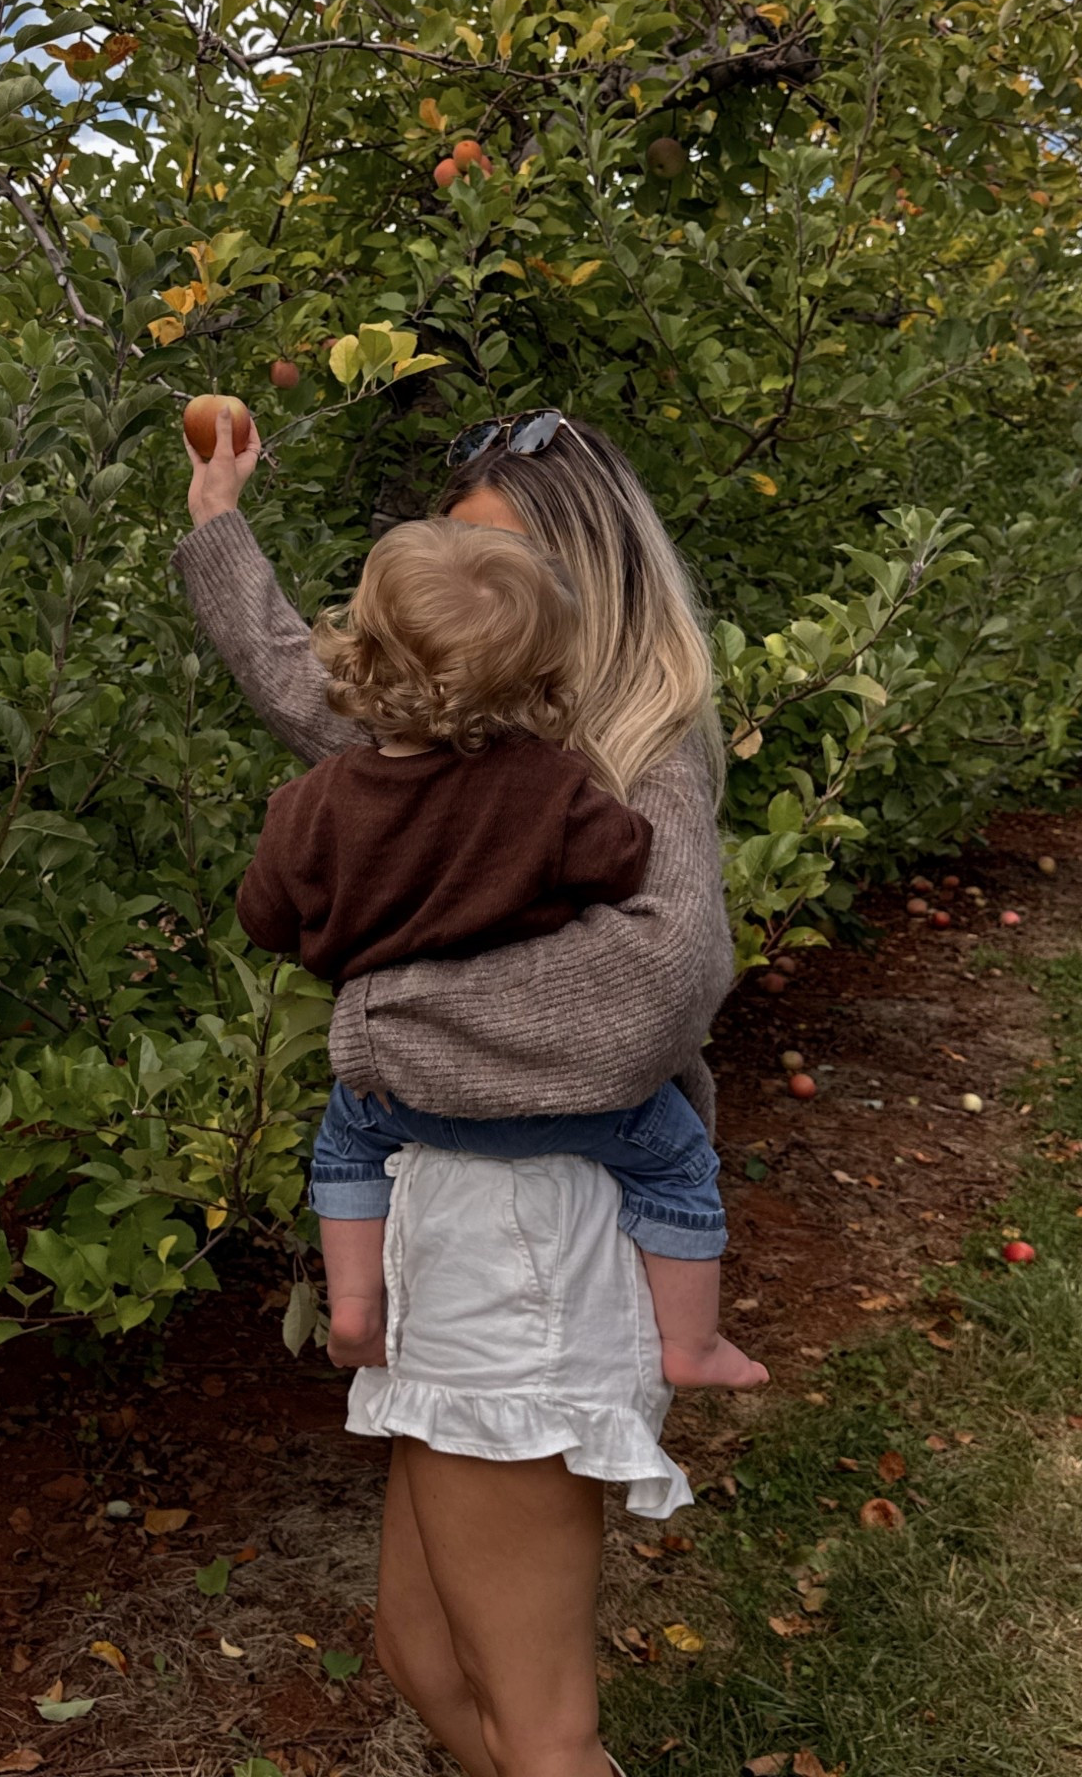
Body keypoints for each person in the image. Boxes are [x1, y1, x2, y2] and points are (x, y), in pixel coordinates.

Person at [176, 403, 735, 1777]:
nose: (462, 619)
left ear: (583, 591)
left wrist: (373, 1022)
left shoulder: (631, 751)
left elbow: (650, 994)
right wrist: (217, 525)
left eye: (504, 573)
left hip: (531, 1243)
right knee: (421, 1658)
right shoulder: (459, 731)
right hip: (456, 1230)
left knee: (541, 1731)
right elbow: (310, 680)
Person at [236, 514, 768, 1388]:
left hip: (398, 1099)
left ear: (359, 651)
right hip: (574, 1110)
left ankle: (357, 1312)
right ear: (542, 676)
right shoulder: (551, 790)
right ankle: (693, 1342)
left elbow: (265, 916)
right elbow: (624, 859)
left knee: (340, 1149)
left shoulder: (311, 804)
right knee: (678, 1154)